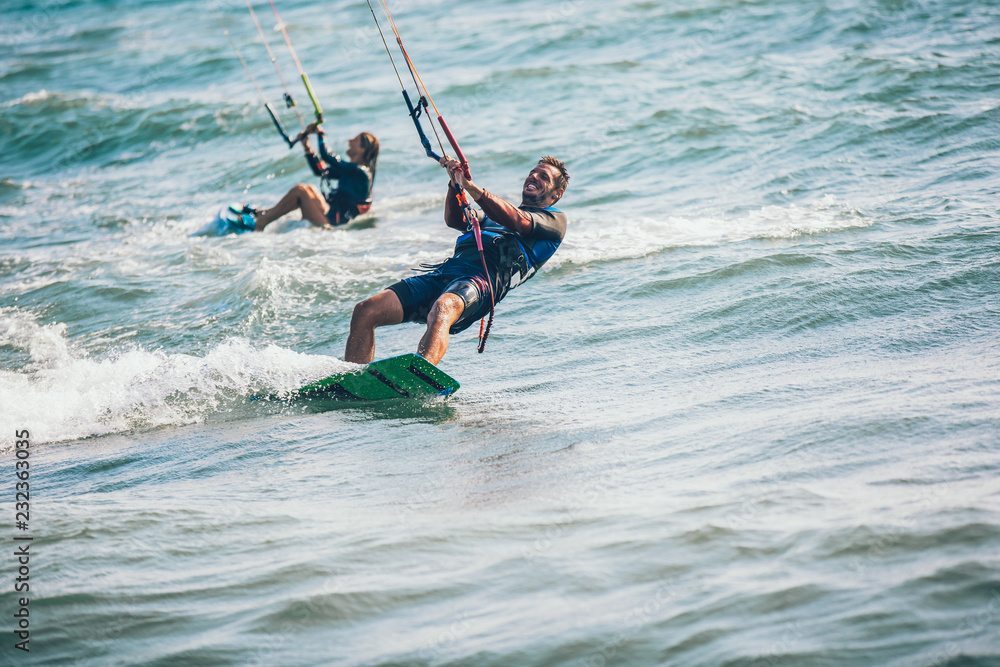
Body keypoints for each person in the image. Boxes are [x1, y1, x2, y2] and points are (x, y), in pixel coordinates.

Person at [343, 155, 570, 366]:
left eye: (544, 177)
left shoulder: (554, 220)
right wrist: (455, 184)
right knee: (365, 310)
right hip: (445, 274)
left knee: (442, 308)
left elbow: (519, 221)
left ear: (556, 193)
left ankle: (418, 377)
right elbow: (456, 220)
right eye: (533, 172)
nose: (534, 177)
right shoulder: (492, 216)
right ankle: (354, 382)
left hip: (480, 284)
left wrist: (471, 187)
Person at [235, 122, 379, 231]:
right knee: (309, 188)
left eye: (355, 140)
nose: (350, 141)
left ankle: (260, 224)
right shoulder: (353, 171)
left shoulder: (362, 172)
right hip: (332, 214)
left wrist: (321, 133)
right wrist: (307, 147)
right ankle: (263, 214)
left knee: (300, 191)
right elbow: (321, 171)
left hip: (332, 225)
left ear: (362, 149)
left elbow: (327, 156)